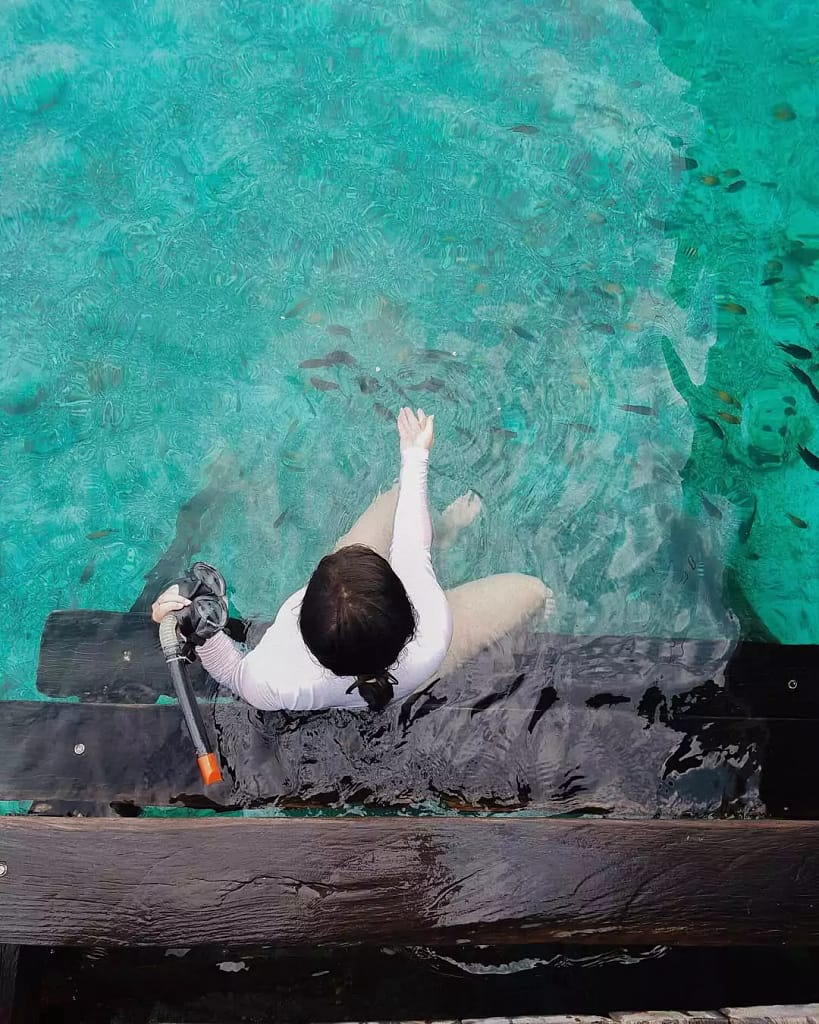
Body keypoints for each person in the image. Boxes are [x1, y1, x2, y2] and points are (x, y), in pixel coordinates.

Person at [152, 407, 553, 711]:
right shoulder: (433, 629)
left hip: (371, 654)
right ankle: (454, 539)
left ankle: (445, 532)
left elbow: (233, 672)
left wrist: (198, 628)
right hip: (424, 664)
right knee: (536, 592)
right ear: (405, 602)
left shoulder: (279, 677)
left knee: (398, 503)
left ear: (304, 616)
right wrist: (415, 456)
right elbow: (413, 546)